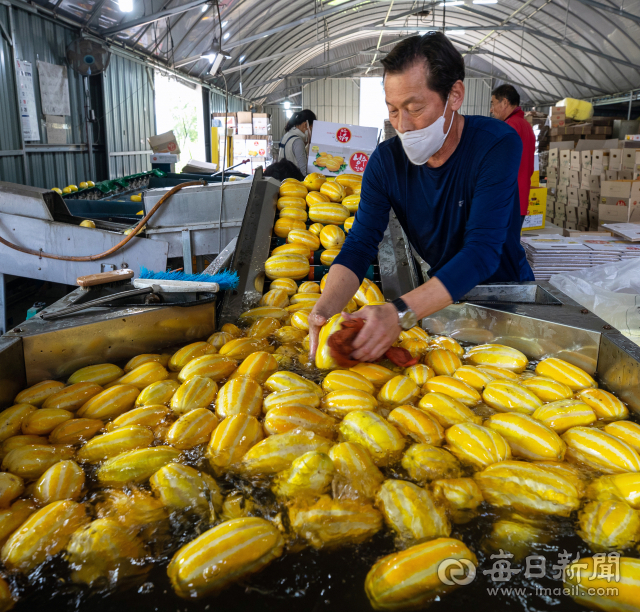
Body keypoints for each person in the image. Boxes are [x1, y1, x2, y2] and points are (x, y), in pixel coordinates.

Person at [308, 32, 534, 364]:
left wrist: (398, 313)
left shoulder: (496, 145)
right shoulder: (385, 162)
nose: (403, 125)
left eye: (415, 108)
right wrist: (325, 309)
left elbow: (483, 251)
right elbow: (360, 244)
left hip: (505, 299)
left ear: (455, 95)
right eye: (393, 110)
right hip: (444, 299)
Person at [490, 84, 536, 229]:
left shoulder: (509, 126)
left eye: (493, 103)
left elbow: (500, 166)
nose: (491, 110)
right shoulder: (526, 126)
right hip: (521, 198)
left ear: (504, 102)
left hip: (507, 200)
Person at [278, 109, 317, 177]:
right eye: (311, 128)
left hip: (285, 179)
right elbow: (304, 172)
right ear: (305, 125)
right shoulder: (298, 141)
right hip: (294, 182)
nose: (312, 132)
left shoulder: (287, 135)